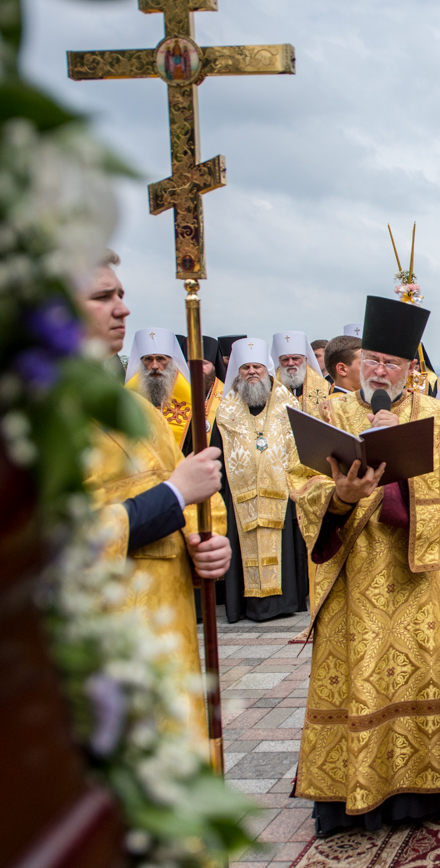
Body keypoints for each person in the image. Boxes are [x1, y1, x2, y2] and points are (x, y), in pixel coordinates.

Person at [289, 295, 440, 837]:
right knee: (355, 676)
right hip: (353, 574)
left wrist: (403, 459)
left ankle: (422, 794)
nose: (380, 370)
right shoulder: (329, 413)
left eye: (392, 363)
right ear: (358, 361)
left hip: (412, 577)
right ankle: (345, 799)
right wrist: (342, 496)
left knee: (415, 673)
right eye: (373, 360)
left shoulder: (438, 416)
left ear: (411, 369)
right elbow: (303, 486)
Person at [78, 251, 231, 748]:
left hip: (170, 640)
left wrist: (204, 544)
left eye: (121, 294)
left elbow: (191, 503)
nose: (122, 308)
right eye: (103, 297)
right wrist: (174, 495)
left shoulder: (137, 413)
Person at [213, 338, 309, 622]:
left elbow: (299, 448)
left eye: (257, 366)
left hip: (280, 494)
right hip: (239, 496)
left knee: (283, 548)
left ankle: (284, 603)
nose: (252, 372)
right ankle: (246, 606)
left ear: (267, 370)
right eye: (245, 368)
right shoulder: (226, 411)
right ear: (238, 374)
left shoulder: (287, 404)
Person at [124, 328, 193, 447]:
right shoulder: (127, 396)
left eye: (161, 359)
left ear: (171, 362)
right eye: (148, 359)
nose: (154, 366)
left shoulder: (190, 399)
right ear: (141, 362)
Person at [272, 330, 331, 418]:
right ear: (279, 361)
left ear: (305, 360)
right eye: (285, 359)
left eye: (295, 358)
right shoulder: (272, 384)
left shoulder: (325, 385)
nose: (290, 363)